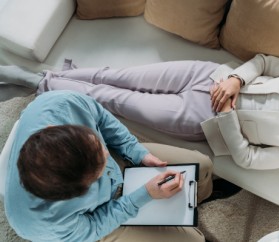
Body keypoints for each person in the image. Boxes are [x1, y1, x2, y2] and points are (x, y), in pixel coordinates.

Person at [1, 54, 279, 169]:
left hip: (199, 119)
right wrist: (237, 80)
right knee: (118, 74)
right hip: (210, 75)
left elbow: (250, 160)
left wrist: (227, 117)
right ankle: (49, 77)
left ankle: (34, 81)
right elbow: (265, 62)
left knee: (114, 99)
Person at [4, 90, 214, 242]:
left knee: (202, 166)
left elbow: (102, 118)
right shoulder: (43, 224)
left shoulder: (62, 103)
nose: (106, 152)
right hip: (98, 216)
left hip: (112, 164)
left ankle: (198, 199)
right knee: (193, 240)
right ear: (78, 192)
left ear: (55, 128)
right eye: (100, 168)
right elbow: (95, 226)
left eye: (94, 142)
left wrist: (135, 150)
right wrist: (145, 195)